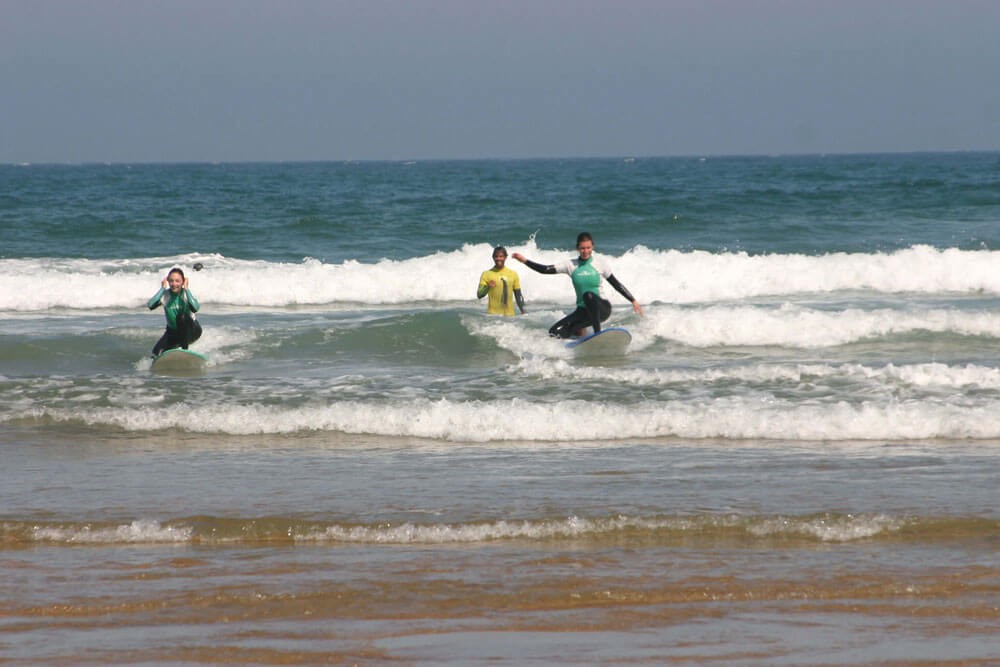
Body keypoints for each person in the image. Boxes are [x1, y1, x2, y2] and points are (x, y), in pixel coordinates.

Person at [513, 232, 643, 338]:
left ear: (592, 247)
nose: (585, 251)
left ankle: (597, 334)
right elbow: (545, 269)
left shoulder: (600, 263)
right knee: (555, 332)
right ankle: (579, 335)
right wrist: (524, 260)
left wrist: (633, 300)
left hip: (602, 308)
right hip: (582, 311)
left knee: (589, 296)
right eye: (582, 248)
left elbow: (616, 284)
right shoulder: (570, 265)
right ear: (577, 248)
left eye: (588, 248)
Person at [147, 267, 202, 356]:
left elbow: (195, 308)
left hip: (192, 331)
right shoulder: (166, 296)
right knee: (155, 354)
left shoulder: (185, 294)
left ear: (182, 282)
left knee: (182, 317)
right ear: (168, 281)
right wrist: (162, 288)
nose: (174, 284)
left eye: (177, 281)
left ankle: (185, 351)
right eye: (171, 281)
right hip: (173, 333)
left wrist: (187, 289)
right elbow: (150, 305)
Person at [477, 246, 526, 316]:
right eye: (496, 256)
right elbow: (479, 294)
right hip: (492, 316)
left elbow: (518, 296)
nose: (498, 259)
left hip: (510, 316)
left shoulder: (513, 274)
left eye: (501, 256)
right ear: (493, 257)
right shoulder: (486, 274)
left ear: (505, 257)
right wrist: (488, 287)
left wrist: (523, 311)